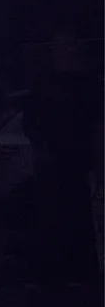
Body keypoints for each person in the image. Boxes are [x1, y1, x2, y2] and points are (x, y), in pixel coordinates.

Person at [23, 29, 101, 284]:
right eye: (60, 45)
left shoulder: (91, 83)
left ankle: (84, 269)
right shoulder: (44, 84)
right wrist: (42, 148)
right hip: (53, 159)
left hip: (83, 159)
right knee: (54, 214)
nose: (65, 50)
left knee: (83, 214)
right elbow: (31, 121)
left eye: (69, 44)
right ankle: (59, 272)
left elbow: (98, 121)